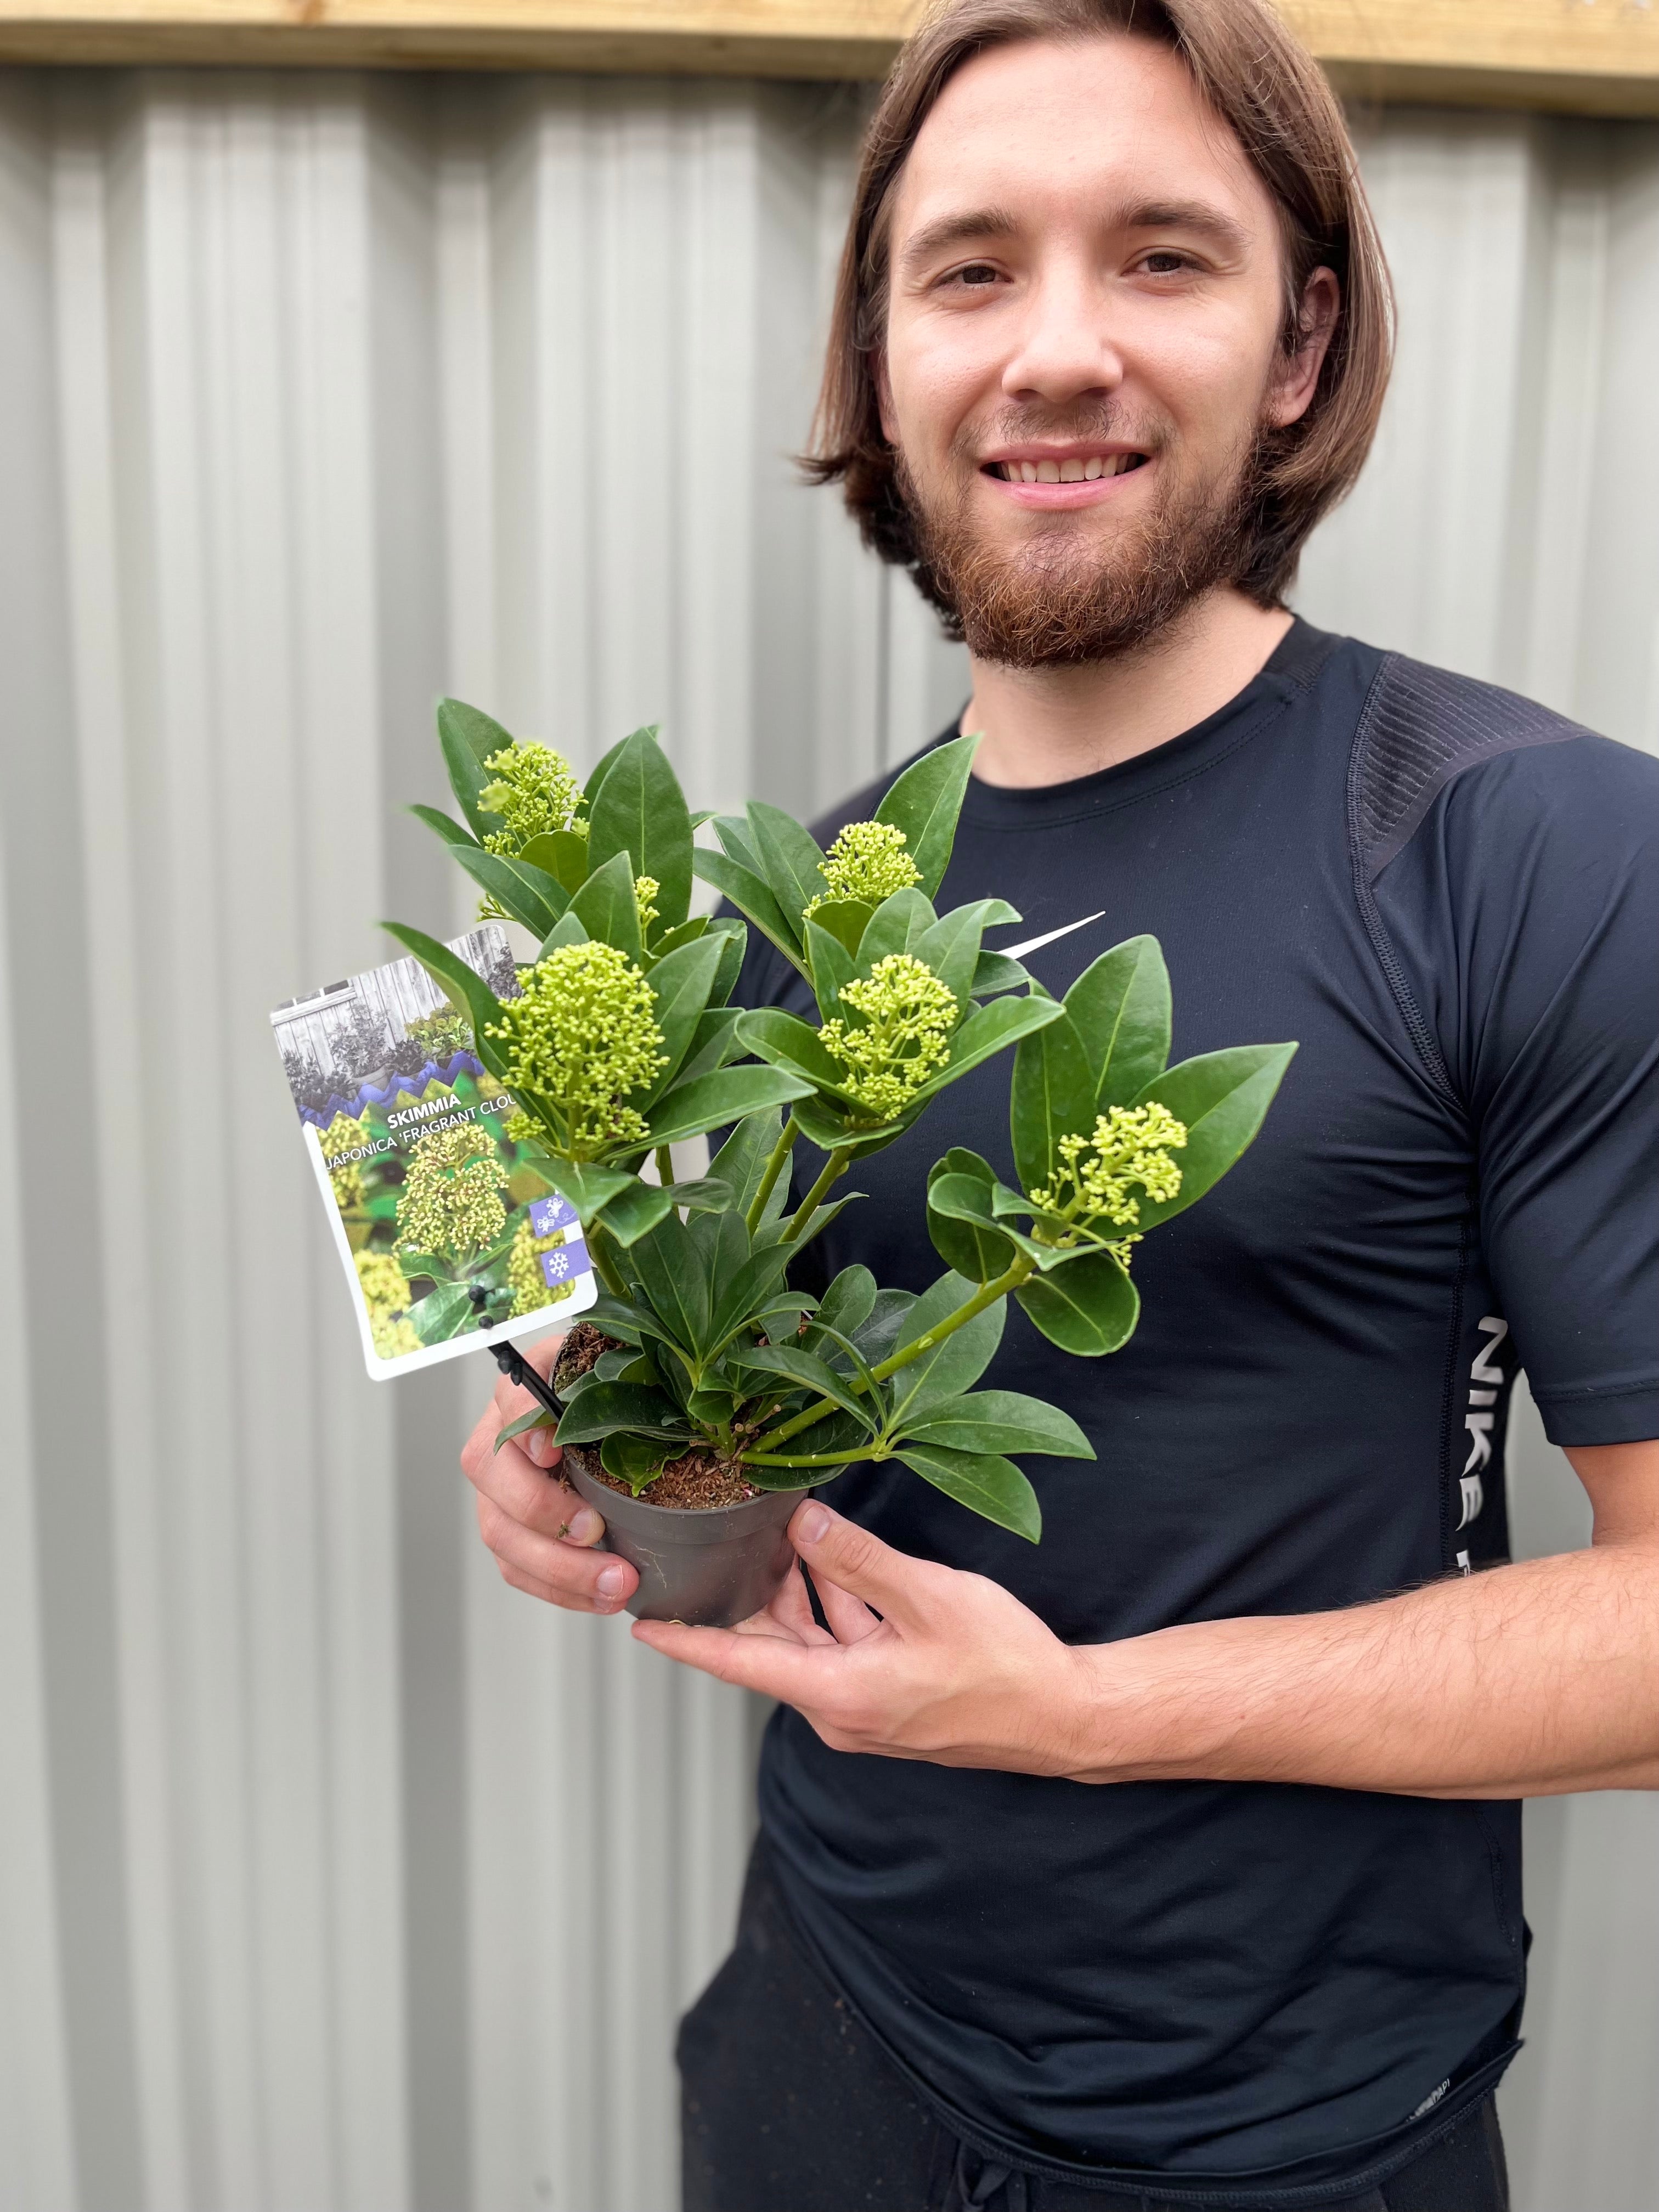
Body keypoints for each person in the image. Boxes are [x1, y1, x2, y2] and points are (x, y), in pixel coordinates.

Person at [460, 2, 1659, 2205]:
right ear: (884, 358)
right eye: (975, 267)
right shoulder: (815, 909)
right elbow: (763, 1381)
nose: (1059, 349)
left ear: (1300, 345)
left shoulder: (1540, 853)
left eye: (1164, 258)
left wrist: (1089, 1715)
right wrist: (584, 1430)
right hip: (811, 2049)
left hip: (1285, 2137)